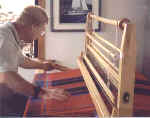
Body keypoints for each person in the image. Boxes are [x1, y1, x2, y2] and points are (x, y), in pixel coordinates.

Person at [0, 5, 70, 116]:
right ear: (33, 27)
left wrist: (43, 65)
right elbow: (8, 78)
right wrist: (43, 92)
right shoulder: (4, 38)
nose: (39, 36)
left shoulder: (11, 34)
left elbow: (21, 60)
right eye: (41, 31)